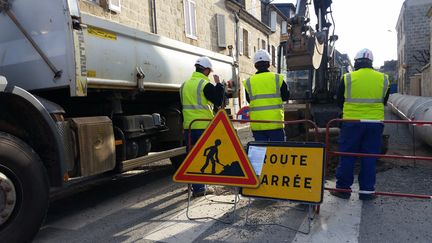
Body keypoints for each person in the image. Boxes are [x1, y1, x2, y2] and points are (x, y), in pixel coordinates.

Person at [331, 48, 389, 201]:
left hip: (352, 123)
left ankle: (343, 189)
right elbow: (384, 100)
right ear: (371, 63)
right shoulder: (383, 78)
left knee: (347, 156)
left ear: (356, 62)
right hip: (375, 124)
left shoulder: (348, 77)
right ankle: (367, 192)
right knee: (369, 157)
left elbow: (339, 101)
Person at [180, 56, 224, 197]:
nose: (210, 74)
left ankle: (194, 185)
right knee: (201, 158)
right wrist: (219, 85)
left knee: (191, 156)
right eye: (209, 72)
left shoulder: (184, 84)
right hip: (203, 126)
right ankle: (199, 189)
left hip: (188, 127)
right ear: (206, 70)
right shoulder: (205, 85)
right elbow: (218, 101)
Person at [243, 49, 289, 141]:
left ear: (255, 65)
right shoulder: (277, 78)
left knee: (260, 152)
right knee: (277, 151)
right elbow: (286, 97)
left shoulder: (248, 82)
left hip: (258, 124)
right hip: (275, 123)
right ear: (269, 63)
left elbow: (249, 100)